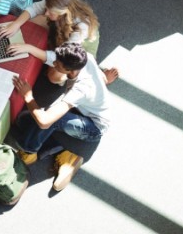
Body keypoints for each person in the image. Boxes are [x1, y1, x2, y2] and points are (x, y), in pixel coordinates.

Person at [9, 43, 119, 191]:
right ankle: (65, 155)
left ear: (70, 70)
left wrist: (28, 96)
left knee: (48, 119)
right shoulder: (85, 58)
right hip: (84, 110)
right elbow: (49, 57)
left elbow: (44, 122)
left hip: (94, 127)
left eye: (57, 64)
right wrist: (27, 48)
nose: (54, 64)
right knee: (26, 120)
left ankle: (29, 152)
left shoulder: (82, 89)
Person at [0, 0, 100, 84]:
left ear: (63, 14)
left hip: (75, 50)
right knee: (31, 23)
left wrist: (29, 48)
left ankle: (80, 72)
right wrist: (16, 24)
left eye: (50, 12)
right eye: (46, 9)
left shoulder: (82, 28)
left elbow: (63, 56)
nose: (46, 13)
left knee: (54, 77)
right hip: (62, 31)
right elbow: (34, 8)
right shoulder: (55, 2)